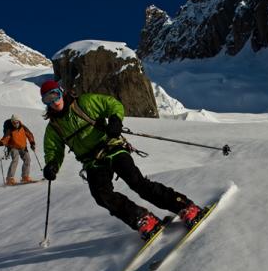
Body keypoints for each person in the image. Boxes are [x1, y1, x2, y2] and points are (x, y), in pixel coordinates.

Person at [40, 80, 203, 240]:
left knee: (137, 182)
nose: (54, 102)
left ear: (62, 92)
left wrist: (115, 120)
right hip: (92, 162)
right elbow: (53, 150)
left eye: (55, 95)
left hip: (111, 147)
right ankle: (142, 219)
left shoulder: (85, 103)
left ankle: (185, 206)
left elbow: (112, 104)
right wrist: (52, 165)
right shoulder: (54, 128)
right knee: (101, 195)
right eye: (48, 99)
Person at [0, 114, 36, 185]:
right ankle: (9, 178)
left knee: (27, 159)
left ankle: (25, 177)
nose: (15, 124)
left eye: (16, 122)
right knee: (15, 160)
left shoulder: (23, 127)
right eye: (13, 122)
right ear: (11, 122)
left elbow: (29, 135)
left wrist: (32, 143)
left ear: (19, 121)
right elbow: (6, 138)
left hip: (23, 147)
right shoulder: (10, 129)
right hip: (13, 147)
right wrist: (0, 142)